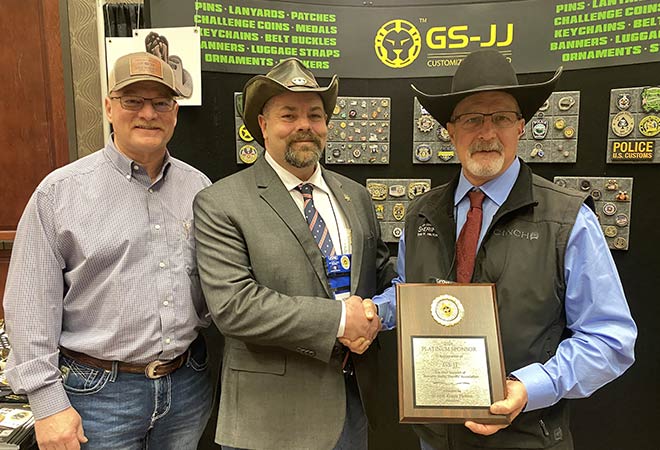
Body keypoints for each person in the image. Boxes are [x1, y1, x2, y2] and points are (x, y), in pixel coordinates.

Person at [373, 50, 637, 450]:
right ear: (450, 129)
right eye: (472, 119)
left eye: (501, 118)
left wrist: (530, 387)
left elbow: (611, 339)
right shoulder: (421, 215)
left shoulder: (568, 220)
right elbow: (409, 295)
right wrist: (372, 313)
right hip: (435, 438)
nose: (487, 133)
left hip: (527, 438)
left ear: (521, 126)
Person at [3, 51, 213, 450]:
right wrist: (47, 405)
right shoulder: (59, 194)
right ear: (109, 107)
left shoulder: (199, 189)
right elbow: (30, 307)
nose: (148, 113)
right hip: (97, 395)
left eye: (161, 102)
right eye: (133, 101)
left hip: (188, 386)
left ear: (175, 111)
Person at [193, 57, 396, 450]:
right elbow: (235, 306)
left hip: (353, 409)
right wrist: (341, 319)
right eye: (289, 114)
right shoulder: (221, 202)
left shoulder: (357, 197)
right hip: (270, 420)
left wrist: (379, 314)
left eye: (315, 115)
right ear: (263, 125)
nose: (305, 125)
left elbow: (380, 276)